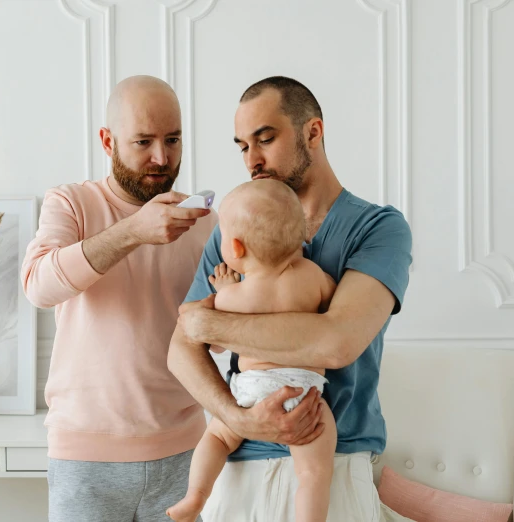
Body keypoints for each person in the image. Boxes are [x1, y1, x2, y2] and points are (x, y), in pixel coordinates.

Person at [167, 76, 413, 522]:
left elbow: (336, 342)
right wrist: (238, 419)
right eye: (242, 146)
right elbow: (179, 351)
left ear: (313, 132)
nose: (252, 160)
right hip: (237, 467)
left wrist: (209, 324)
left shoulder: (378, 229)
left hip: (331, 463)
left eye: (265, 139)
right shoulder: (234, 228)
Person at [21, 75, 217, 522]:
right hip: (84, 460)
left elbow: (218, 341)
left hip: (184, 453)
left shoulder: (203, 222)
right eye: (143, 141)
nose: (161, 158)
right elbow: (38, 285)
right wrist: (133, 231)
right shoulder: (70, 203)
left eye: (173, 139)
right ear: (108, 141)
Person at [167, 179, 338, 522]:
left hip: (250, 390)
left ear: (235, 248)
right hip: (302, 390)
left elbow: (208, 336)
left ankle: (195, 498)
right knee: (314, 474)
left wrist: (226, 292)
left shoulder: (232, 297)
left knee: (216, 436)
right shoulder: (312, 276)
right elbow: (333, 305)